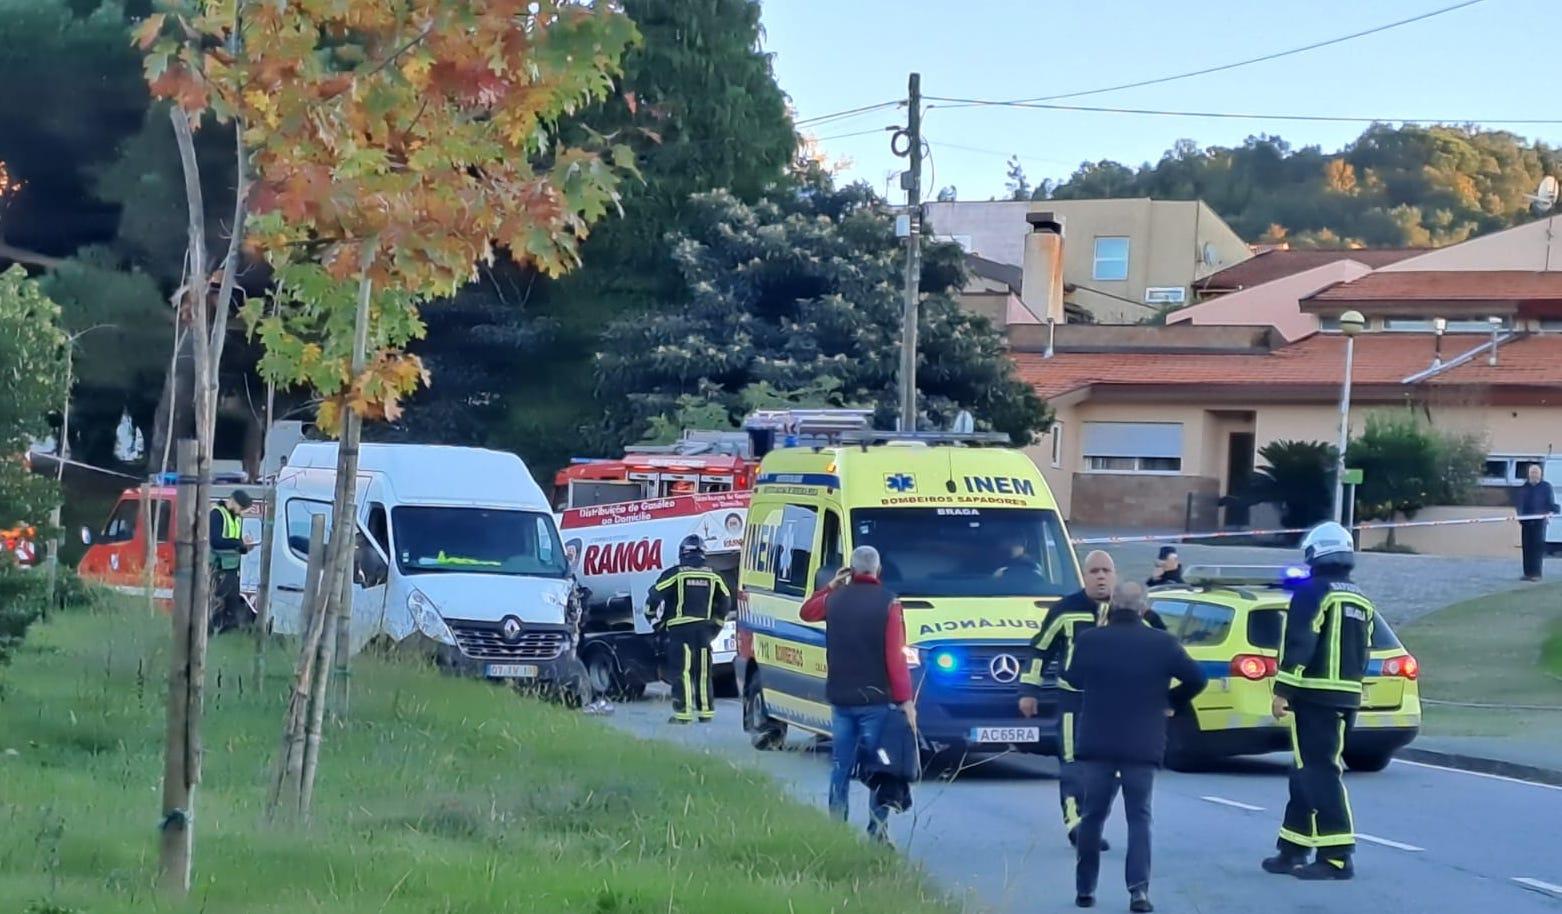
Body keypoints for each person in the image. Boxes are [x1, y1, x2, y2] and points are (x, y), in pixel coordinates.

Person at [1065, 582, 1207, 913]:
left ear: (1112, 606)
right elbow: (1197, 678)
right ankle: (1138, 892)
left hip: (1098, 741)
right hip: (1142, 742)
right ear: (1144, 609)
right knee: (1139, 818)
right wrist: (1170, 701)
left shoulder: (1091, 640)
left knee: (1092, 816)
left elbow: (1073, 678)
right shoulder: (1163, 643)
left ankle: (1085, 889)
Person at [1263, 521, 1376, 881]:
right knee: (1307, 770)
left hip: (1314, 696)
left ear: (1315, 552)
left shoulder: (1313, 591)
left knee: (1320, 772)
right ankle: (1293, 847)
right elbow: (1366, 649)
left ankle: (1337, 856)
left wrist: (1283, 689)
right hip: (1345, 697)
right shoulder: (1359, 596)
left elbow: (1301, 642)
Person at [800, 545, 916, 840]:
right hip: (875, 699)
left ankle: (836, 828)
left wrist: (831, 586)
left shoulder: (834, 599)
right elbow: (895, 657)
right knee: (881, 765)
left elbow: (806, 612)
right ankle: (877, 831)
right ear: (878, 570)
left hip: (841, 697)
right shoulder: (889, 603)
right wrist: (905, 700)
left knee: (841, 765)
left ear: (851, 570)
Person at [1018, 549, 1117, 850]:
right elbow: (1040, 649)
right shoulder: (1066, 609)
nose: (1100, 576)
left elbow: (1159, 647)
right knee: (1073, 764)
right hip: (1074, 701)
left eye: (1106, 571)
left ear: (1115, 575)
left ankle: (1094, 823)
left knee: (1111, 770)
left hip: (1115, 707)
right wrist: (1028, 691)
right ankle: (1076, 825)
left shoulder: (1129, 611)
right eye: (1094, 571)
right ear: (1084, 576)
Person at [646, 535, 731, 724]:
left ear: (683, 553)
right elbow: (725, 601)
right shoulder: (714, 575)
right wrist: (716, 625)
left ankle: (683, 714)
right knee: (703, 672)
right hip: (704, 630)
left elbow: (654, 595)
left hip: (679, 630)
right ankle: (705, 712)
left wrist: (654, 621)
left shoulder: (675, 574)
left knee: (681, 671)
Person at [209, 490, 256, 633]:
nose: (241, 513)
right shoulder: (217, 514)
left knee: (232, 612)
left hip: (232, 570)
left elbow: (234, 544)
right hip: (218, 570)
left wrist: (245, 547)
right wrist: (238, 543)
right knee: (217, 609)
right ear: (233, 502)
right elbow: (216, 541)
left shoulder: (236, 518)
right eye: (241, 509)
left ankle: (225, 637)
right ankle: (213, 636)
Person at [1514, 463, 1558, 582]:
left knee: (1537, 548)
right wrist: (1520, 517)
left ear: (1540, 474)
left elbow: (1551, 503)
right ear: (1529, 474)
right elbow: (1520, 503)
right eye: (1532, 473)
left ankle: (1536, 573)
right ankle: (1527, 573)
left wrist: (1551, 512)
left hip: (1540, 522)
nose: (1534, 475)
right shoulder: (1524, 487)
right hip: (1526, 522)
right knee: (1527, 547)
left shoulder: (1546, 487)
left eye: (1536, 473)